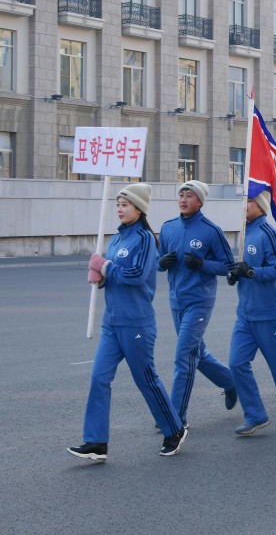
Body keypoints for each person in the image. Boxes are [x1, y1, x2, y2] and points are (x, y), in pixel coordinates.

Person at [70, 183, 188, 461]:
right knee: (99, 378)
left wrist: (105, 266)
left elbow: (135, 275)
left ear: (139, 208)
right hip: (112, 323)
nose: (120, 209)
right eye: (118, 205)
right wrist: (99, 278)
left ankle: (174, 430)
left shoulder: (145, 239)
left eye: (125, 204)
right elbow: (112, 273)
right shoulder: (116, 239)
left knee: (145, 379)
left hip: (136, 324)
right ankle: (96, 442)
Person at [225, 191, 276, 436]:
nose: (245, 205)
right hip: (246, 313)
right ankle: (255, 414)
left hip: (270, 313)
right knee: (237, 363)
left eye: (249, 201)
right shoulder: (245, 231)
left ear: (261, 206)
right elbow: (243, 267)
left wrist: (251, 272)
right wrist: (236, 274)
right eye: (244, 200)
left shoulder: (268, 233)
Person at [157, 180, 238, 429]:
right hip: (176, 300)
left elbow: (228, 266)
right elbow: (156, 261)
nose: (183, 199)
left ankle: (175, 417)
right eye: (181, 194)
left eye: (189, 195)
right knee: (197, 353)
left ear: (200, 201)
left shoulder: (210, 230)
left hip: (199, 301)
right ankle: (231, 382)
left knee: (184, 356)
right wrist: (163, 262)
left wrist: (203, 264)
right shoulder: (168, 227)